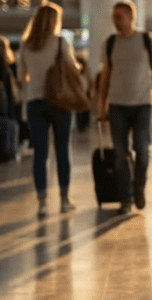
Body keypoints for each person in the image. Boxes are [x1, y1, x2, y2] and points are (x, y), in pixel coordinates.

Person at [97, 1, 152, 214]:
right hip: (118, 105)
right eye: (114, 17)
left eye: (120, 17)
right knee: (120, 155)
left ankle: (139, 187)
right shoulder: (110, 43)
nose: (116, 21)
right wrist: (102, 107)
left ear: (131, 17)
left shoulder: (148, 40)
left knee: (142, 150)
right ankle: (126, 198)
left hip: (143, 105)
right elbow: (104, 79)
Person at [17, 3, 78, 217]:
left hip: (35, 102)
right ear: (55, 21)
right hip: (60, 101)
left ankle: (42, 203)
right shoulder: (61, 43)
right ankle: (64, 200)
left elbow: (20, 77)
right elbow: (72, 69)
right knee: (63, 150)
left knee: (40, 154)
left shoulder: (26, 45)